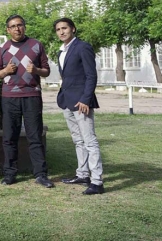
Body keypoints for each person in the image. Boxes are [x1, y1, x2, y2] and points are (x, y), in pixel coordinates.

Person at [0, 15, 53, 188]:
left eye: (20, 25)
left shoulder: (36, 45)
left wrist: (36, 70)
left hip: (32, 96)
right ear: (8, 30)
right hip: (9, 98)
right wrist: (5, 70)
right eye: (13, 26)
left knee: (35, 137)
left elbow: (47, 71)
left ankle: (41, 174)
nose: (17, 29)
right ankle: (10, 174)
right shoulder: (3, 48)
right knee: (9, 138)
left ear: (24, 26)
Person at [54, 18, 104, 195]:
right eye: (58, 29)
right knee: (78, 140)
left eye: (65, 28)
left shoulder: (82, 47)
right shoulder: (61, 51)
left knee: (90, 141)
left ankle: (97, 181)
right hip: (67, 101)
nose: (61, 32)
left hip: (82, 102)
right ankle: (83, 174)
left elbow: (91, 76)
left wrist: (85, 99)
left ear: (73, 29)